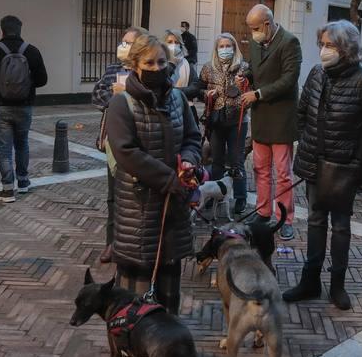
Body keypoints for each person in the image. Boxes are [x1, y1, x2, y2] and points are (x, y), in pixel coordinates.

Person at [285, 21, 362, 310]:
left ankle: (337, 285)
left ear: (346, 48)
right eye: (322, 44)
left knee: (341, 227)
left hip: (344, 167)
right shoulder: (316, 73)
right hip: (314, 162)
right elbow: (302, 112)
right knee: (316, 221)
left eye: (330, 45)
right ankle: (310, 281)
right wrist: (307, 141)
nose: (324, 50)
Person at [103, 33, 202, 314]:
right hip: (140, 207)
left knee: (169, 282)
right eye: (149, 62)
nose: (157, 68)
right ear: (135, 64)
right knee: (135, 290)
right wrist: (168, 178)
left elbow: (193, 138)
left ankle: (167, 344)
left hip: (174, 206)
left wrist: (189, 164)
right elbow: (126, 152)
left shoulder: (178, 100)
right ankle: (131, 344)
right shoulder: (121, 104)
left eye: (161, 62)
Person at [243, 4, 301, 240]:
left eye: (255, 28)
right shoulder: (257, 43)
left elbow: (289, 79)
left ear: (267, 24)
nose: (253, 33)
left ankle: (285, 218)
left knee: (283, 173)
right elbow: (254, 70)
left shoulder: (290, 42)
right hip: (260, 117)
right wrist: (245, 77)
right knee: (260, 170)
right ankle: (264, 211)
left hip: (281, 117)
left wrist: (257, 94)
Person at [0, 15, 48, 203]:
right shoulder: (32, 51)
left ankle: (7, 190)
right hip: (25, 106)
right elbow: (42, 80)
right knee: (22, 144)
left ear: (2, 30)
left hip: (1, 107)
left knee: (4, 148)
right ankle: (23, 182)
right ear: (20, 30)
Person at [93, 26, 148, 247]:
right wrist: (115, 98)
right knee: (113, 194)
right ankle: (111, 243)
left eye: (129, 43)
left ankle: (135, 240)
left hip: (139, 140)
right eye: (122, 42)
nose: (123, 46)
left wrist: (126, 93)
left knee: (137, 194)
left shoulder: (145, 70)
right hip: (114, 140)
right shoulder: (112, 69)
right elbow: (97, 95)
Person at [198, 33, 251, 217]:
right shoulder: (208, 67)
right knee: (217, 159)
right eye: (221, 46)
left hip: (237, 121)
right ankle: (214, 195)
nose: (225, 49)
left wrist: (243, 88)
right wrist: (207, 94)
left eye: (228, 45)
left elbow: (250, 97)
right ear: (216, 49)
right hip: (216, 120)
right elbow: (199, 89)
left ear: (235, 48)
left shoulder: (243, 68)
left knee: (237, 160)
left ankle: (240, 197)